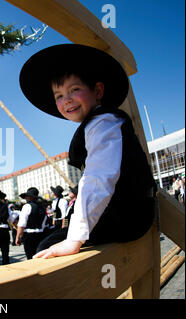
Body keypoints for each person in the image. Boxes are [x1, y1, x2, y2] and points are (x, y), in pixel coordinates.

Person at [19, 43, 156, 258]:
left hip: (126, 217)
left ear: (98, 91)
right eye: (59, 96)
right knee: (52, 241)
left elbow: (98, 177)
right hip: (131, 215)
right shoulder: (102, 122)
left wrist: (74, 239)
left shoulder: (103, 124)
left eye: (74, 90)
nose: (67, 100)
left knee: (46, 248)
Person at [15, 187, 47, 260]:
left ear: (30, 197)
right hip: (41, 234)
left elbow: (22, 224)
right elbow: (44, 221)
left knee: (30, 257)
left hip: (29, 235)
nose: (26, 198)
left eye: (27, 196)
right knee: (39, 255)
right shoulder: (42, 207)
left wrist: (18, 237)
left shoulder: (27, 206)